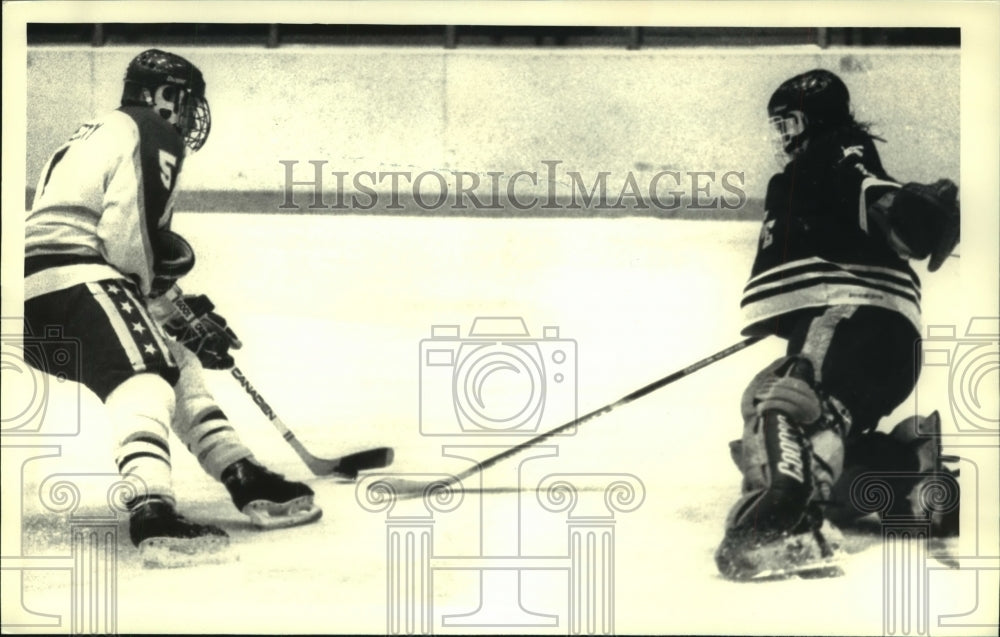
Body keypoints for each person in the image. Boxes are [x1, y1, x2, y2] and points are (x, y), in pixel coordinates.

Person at [24, 49, 321, 567]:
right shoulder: (152, 131)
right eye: (186, 102)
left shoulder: (96, 131)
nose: (188, 116)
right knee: (146, 375)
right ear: (166, 96)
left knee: (173, 357)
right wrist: (167, 302)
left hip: (40, 292)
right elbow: (126, 239)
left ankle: (241, 473)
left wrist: (172, 316)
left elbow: (118, 244)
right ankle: (153, 510)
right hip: (73, 279)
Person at [715, 69, 961, 580]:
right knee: (827, 432)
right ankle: (909, 469)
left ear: (817, 121)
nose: (784, 138)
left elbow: (869, 187)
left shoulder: (834, 149)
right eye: (777, 127)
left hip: (850, 314)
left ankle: (783, 522)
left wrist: (901, 212)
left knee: (784, 402)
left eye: (790, 124)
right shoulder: (824, 159)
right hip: (880, 335)